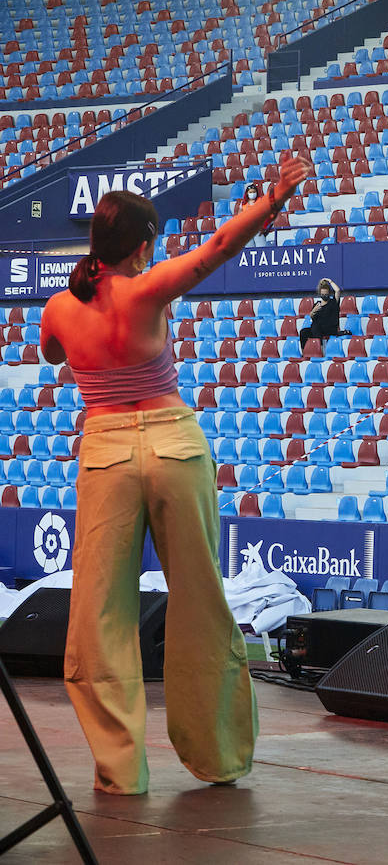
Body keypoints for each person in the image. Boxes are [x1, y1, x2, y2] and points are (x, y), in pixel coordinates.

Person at [39, 160, 308, 795]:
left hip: (104, 451)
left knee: (99, 615)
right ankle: (218, 758)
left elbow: (53, 352)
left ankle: (121, 770)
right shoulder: (148, 289)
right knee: (201, 601)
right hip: (174, 447)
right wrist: (268, 201)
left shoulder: (58, 306)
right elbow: (216, 249)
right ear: (142, 246)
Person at [298, 276, 341, 349]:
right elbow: (312, 317)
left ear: (329, 293)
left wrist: (330, 281)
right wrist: (313, 311)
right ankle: (304, 352)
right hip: (318, 329)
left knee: (316, 326)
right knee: (303, 332)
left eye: (326, 294)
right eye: (323, 294)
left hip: (330, 328)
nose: (324, 296)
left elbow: (337, 290)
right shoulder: (317, 305)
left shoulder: (333, 303)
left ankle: (319, 350)